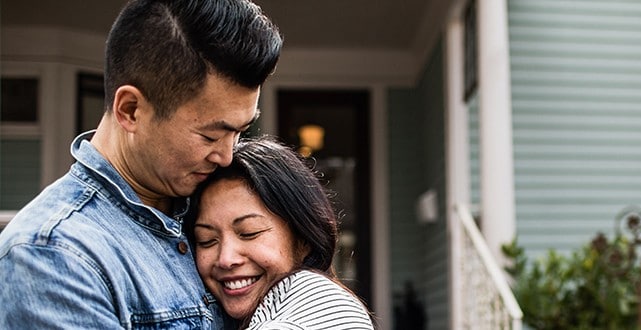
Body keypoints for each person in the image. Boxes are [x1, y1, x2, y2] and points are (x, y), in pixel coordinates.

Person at [0, 0, 281, 328]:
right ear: (131, 110)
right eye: (210, 135)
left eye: (240, 132)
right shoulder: (53, 255)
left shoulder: (215, 200)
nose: (226, 156)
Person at [186, 136, 375, 329]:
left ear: (303, 239)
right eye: (207, 240)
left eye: (249, 233)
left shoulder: (317, 305)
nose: (226, 259)